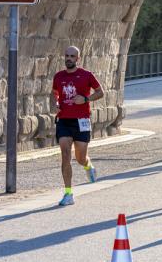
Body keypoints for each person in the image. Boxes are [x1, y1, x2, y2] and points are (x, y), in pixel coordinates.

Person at [52, 45, 104, 207]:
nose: (69, 58)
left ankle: (88, 166)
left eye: (72, 56)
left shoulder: (86, 75)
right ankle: (68, 193)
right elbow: (54, 93)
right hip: (64, 121)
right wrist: (54, 103)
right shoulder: (59, 76)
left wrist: (86, 99)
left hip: (81, 121)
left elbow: (100, 92)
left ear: (78, 58)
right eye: (67, 56)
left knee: (80, 158)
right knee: (65, 153)